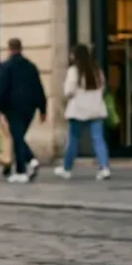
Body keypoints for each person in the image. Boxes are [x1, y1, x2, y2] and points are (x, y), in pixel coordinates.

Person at [0, 37, 46, 183]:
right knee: (18, 136)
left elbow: (0, 89)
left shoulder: (5, 66)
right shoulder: (31, 66)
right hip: (29, 108)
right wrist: (42, 109)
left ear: (9, 49)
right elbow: (39, 88)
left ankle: (23, 170)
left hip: (12, 108)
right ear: (21, 49)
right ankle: (30, 162)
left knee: (17, 137)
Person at [55, 44, 111, 181]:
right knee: (98, 140)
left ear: (76, 56)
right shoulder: (97, 70)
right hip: (96, 110)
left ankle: (66, 168)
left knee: (73, 140)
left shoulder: (74, 71)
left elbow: (68, 91)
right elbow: (103, 88)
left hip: (78, 110)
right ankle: (104, 168)